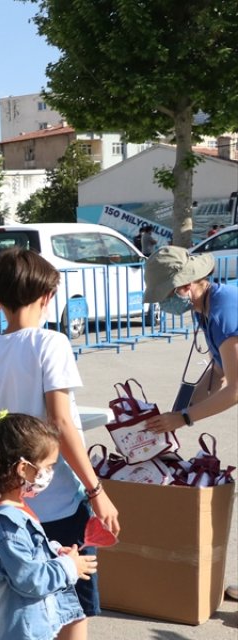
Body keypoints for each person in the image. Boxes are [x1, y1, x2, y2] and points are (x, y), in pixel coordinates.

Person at [0, 248, 119, 638]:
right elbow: (62, 422)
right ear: (48, 296)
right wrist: (96, 489)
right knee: (72, 606)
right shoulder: (51, 343)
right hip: (58, 499)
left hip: (12, 502)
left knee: (29, 606)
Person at [142, 246, 238, 602]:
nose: (164, 303)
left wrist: (183, 418)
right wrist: (175, 415)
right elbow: (217, 373)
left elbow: (235, 388)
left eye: (165, 294)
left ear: (187, 286)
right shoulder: (206, 308)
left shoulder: (225, 308)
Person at [0, 412, 96, 640]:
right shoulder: (6, 525)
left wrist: (53, 553)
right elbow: (30, 580)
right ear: (23, 469)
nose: (49, 474)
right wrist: (69, 566)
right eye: (48, 466)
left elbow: (22, 556)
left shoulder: (11, 509)